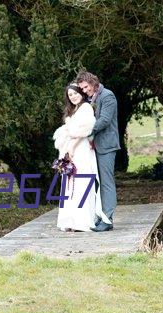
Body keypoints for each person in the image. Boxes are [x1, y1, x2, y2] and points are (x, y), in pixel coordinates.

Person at [53, 83, 111, 232]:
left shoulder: (86, 107)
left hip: (81, 149)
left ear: (81, 93)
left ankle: (82, 221)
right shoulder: (72, 110)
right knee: (70, 184)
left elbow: (85, 129)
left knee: (82, 183)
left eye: (75, 93)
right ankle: (70, 220)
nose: (73, 97)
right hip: (70, 148)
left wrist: (72, 147)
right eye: (70, 95)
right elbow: (68, 130)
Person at [74, 70, 120, 232]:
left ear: (93, 82)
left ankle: (108, 220)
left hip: (106, 146)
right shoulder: (90, 98)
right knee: (96, 183)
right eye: (82, 89)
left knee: (106, 183)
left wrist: (83, 132)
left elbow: (105, 121)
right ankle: (99, 216)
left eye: (86, 87)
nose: (85, 91)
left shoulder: (107, 96)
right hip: (93, 147)